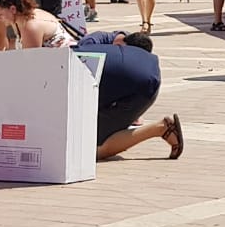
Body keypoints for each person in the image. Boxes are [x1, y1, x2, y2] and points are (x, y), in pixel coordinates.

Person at [77, 31, 183, 160]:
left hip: (141, 84)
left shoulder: (76, 52)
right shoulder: (81, 51)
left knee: (90, 149)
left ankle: (162, 128)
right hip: (148, 75)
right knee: (90, 134)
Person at [0, 0, 73, 50]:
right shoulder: (21, 18)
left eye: (0, 15)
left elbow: (31, 63)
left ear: (13, 9)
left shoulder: (31, 26)